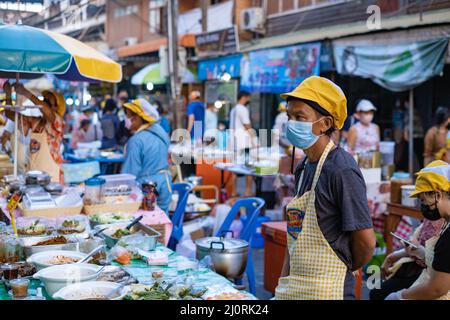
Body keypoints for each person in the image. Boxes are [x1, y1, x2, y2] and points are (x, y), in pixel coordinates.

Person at [274, 76, 376, 300]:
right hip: (295, 289)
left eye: (300, 117)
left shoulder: (341, 170)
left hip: (329, 290)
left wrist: (342, 265)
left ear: (326, 123)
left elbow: (366, 243)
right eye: (289, 116)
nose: (291, 123)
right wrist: (282, 285)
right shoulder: (303, 166)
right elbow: (295, 237)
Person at [386, 160, 450, 300]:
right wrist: (422, 253)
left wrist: (400, 296)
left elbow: (437, 288)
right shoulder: (446, 225)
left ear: (438, 195)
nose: (422, 206)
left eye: (423, 200)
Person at [4, 82, 66, 183]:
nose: (44, 103)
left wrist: (26, 93)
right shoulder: (36, 122)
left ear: (55, 108)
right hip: (33, 175)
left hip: (51, 178)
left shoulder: (58, 122)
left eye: (48, 102)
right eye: (44, 100)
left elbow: (47, 111)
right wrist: (8, 94)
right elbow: (11, 115)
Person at [369, 218, 445, 300]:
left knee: (378, 294)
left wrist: (399, 296)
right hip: (415, 267)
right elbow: (416, 246)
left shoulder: (445, 226)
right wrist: (393, 256)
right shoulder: (432, 218)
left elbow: (438, 286)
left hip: (430, 275)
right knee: (376, 292)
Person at [121, 98, 172, 214]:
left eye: (130, 116)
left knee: (146, 222)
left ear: (139, 118)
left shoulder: (136, 141)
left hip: (147, 189)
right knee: (162, 221)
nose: (128, 119)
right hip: (165, 184)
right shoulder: (161, 133)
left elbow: (130, 174)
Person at [229, 91, 256, 197]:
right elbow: (247, 125)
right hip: (243, 142)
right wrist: (254, 139)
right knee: (248, 166)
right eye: (248, 98)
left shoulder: (233, 109)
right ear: (244, 97)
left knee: (234, 168)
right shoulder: (243, 109)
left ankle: (234, 191)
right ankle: (248, 190)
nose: (249, 100)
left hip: (234, 141)